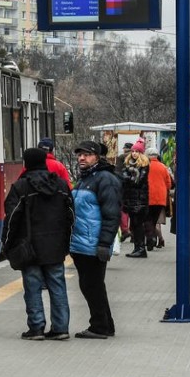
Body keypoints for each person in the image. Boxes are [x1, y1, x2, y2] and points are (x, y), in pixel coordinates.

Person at [2, 147, 74, 341]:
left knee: (33, 287)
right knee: (58, 286)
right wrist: (67, 240)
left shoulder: (21, 187)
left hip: (29, 247)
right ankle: (61, 328)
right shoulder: (60, 185)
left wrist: (7, 244)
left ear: (26, 163)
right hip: (56, 246)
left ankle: (36, 328)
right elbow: (71, 215)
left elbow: (11, 219)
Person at [70, 140, 122, 339]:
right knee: (92, 286)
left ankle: (100, 325)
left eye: (87, 154)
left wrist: (104, 244)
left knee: (92, 286)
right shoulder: (86, 178)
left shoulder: (104, 179)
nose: (81, 158)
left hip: (92, 244)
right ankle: (105, 324)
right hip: (82, 243)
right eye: (80, 154)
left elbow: (111, 215)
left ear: (97, 157)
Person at [120, 137, 150, 258]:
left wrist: (128, 178)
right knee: (134, 225)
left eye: (137, 151)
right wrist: (129, 178)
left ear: (141, 153)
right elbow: (124, 178)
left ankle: (141, 248)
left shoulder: (144, 166)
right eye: (133, 151)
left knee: (138, 225)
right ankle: (137, 248)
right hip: (130, 199)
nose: (134, 153)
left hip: (139, 200)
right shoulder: (127, 165)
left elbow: (138, 182)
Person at [144, 148, 172, 249]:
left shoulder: (145, 166)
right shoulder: (163, 167)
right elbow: (169, 184)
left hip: (148, 197)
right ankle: (153, 238)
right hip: (161, 199)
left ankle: (151, 239)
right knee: (154, 220)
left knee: (147, 219)